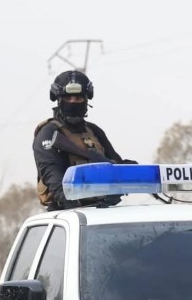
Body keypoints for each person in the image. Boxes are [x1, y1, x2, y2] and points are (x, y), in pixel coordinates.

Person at [33, 70, 134, 210]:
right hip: (66, 212)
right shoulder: (49, 133)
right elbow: (53, 176)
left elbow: (116, 165)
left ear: (86, 101)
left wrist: (131, 171)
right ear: (59, 100)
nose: (73, 102)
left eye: (78, 98)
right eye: (68, 98)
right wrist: (73, 207)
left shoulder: (94, 131)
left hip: (103, 209)